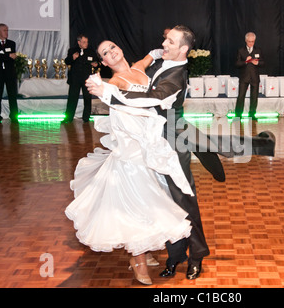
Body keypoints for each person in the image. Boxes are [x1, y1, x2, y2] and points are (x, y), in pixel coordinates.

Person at [87, 25, 210, 280]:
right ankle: (175, 257)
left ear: (184, 50)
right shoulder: (157, 62)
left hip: (172, 144)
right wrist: (157, 52)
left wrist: (108, 93)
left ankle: (197, 255)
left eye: (170, 42)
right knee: (164, 202)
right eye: (164, 39)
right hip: (147, 143)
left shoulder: (177, 76)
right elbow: (145, 61)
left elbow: (149, 100)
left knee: (183, 199)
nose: (164, 44)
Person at [66, 41, 193, 285]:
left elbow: (150, 55)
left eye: (112, 47)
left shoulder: (138, 68)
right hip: (130, 151)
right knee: (137, 202)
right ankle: (138, 260)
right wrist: (99, 87)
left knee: (151, 199)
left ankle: (143, 249)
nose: (111, 52)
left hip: (148, 144)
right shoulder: (113, 82)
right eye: (105, 53)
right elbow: (113, 96)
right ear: (103, 62)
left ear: (120, 49)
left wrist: (162, 51)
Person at [62, 34, 99, 123]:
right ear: (79, 42)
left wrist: (96, 65)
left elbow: (97, 63)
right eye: (84, 42)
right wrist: (72, 57)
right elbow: (67, 61)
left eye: (86, 42)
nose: (86, 44)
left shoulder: (91, 51)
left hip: (87, 79)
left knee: (87, 98)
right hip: (75, 79)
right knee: (72, 98)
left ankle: (86, 118)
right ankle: (68, 118)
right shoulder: (72, 50)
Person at [0, 23, 19, 123]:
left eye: (7, 30)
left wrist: (0, 56)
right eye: (4, 30)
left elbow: (11, 58)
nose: (7, 32)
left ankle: (14, 115)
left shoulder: (11, 43)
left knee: (12, 95)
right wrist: (7, 56)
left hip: (9, 73)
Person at [235, 32, 264, 120]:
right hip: (244, 77)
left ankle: (252, 114)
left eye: (252, 41)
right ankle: (238, 115)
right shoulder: (241, 50)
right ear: (245, 40)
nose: (251, 43)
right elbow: (237, 64)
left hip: (255, 77)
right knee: (241, 96)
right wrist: (245, 62)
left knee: (254, 97)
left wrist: (257, 63)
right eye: (249, 41)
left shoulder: (258, 50)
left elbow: (263, 63)